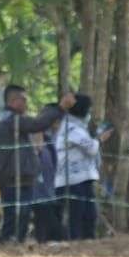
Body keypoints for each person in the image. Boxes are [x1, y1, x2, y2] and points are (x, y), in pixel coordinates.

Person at [0, 85, 65, 243]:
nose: (26, 103)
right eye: (23, 99)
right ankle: (8, 247)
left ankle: (14, 245)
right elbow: (38, 124)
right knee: (15, 217)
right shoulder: (12, 121)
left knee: (21, 217)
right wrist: (60, 108)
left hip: (20, 178)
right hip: (13, 179)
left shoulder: (11, 121)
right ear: (13, 101)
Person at [53, 93, 103, 240]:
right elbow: (91, 148)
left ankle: (88, 241)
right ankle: (75, 243)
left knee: (90, 214)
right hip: (71, 180)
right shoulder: (70, 127)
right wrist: (99, 140)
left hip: (83, 178)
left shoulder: (79, 127)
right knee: (77, 215)